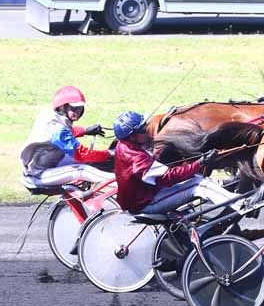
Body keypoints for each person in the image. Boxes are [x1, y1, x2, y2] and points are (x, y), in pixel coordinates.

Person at [112, 111, 246, 216]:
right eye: (142, 130)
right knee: (199, 185)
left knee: (195, 178)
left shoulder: (124, 145)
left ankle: (223, 190)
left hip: (143, 196)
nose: (147, 130)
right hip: (146, 204)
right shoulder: (136, 158)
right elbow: (168, 178)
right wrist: (199, 163)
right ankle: (242, 205)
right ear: (132, 136)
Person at [20, 85, 114, 188]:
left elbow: (65, 134)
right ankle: (120, 183)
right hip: (37, 174)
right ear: (62, 107)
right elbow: (81, 154)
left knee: (90, 163)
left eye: (80, 107)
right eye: (74, 107)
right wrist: (109, 153)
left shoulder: (53, 116)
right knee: (81, 170)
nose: (78, 111)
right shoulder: (56, 127)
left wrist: (85, 131)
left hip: (49, 164)